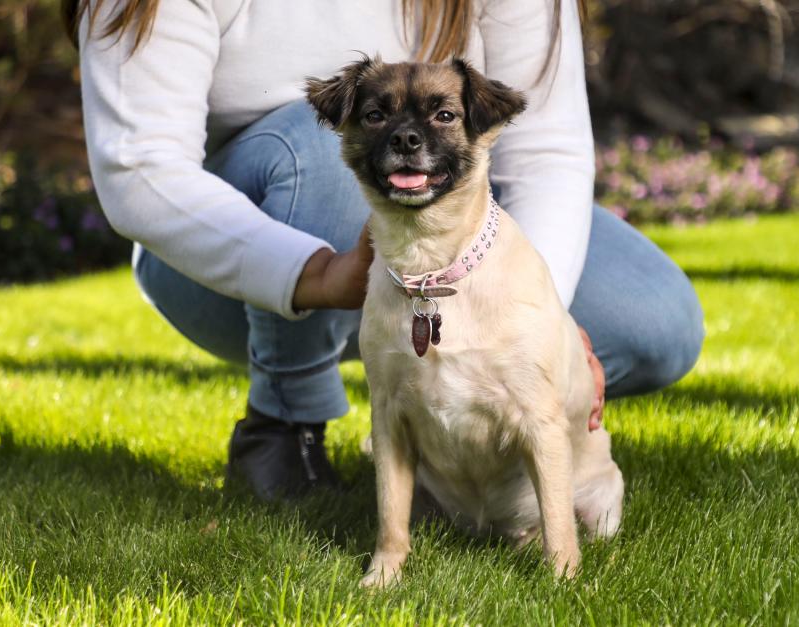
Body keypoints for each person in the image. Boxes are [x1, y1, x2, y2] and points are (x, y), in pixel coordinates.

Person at [64, 0, 704, 501]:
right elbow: (139, 169)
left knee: (653, 321)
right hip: (227, 263)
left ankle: (448, 427)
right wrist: (315, 272)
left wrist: (539, 323)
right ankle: (285, 422)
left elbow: (545, 153)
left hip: (458, 235)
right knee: (323, 147)